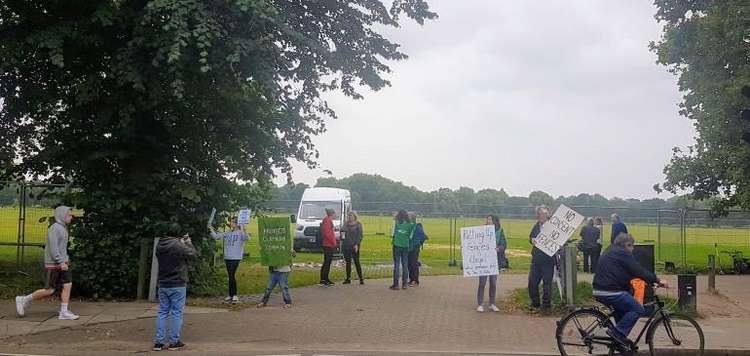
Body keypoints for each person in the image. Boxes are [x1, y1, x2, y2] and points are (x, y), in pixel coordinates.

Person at [593, 233, 669, 350]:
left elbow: (627, 271)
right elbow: (638, 270)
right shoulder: (623, 253)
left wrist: (648, 281)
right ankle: (617, 334)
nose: (633, 249)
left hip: (600, 289)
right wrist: (658, 280)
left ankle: (619, 343)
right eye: (632, 246)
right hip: (612, 291)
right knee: (637, 308)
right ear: (627, 245)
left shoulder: (611, 250)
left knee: (623, 314)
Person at [15, 206, 79, 320]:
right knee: (49, 290)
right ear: (61, 215)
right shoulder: (55, 228)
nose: (71, 217)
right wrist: (60, 262)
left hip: (64, 263)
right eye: (69, 215)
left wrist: (66, 260)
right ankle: (23, 299)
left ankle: (63, 312)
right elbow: (54, 248)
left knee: (67, 285)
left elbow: (62, 248)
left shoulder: (63, 227)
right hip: (54, 264)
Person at [153, 223, 197, 351]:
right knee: (177, 312)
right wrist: (188, 243)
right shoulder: (180, 245)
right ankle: (174, 341)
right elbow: (193, 255)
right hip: (178, 283)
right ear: (178, 234)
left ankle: (159, 342)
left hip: (163, 282)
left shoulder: (160, 245)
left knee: (162, 311)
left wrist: (180, 242)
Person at [210, 217, 250, 303]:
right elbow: (216, 236)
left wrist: (243, 229)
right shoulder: (228, 233)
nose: (231, 224)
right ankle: (231, 295)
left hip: (236, 257)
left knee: (231, 275)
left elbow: (246, 238)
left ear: (237, 224)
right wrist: (210, 229)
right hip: (227, 257)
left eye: (232, 222)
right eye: (231, 222)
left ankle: (235, 295)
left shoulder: (240, 233)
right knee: (230, 276)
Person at [477, 214, 506, 313]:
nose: (488, 221)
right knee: (482, 283)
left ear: (494, 221)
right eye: (487, 219)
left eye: (490, 219)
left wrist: (499, 248)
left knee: (493, 283)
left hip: (494, 261)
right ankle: (480, 304)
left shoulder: (500, 231)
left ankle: (492, 303)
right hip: (484, 261)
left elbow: (504, 244)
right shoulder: (481, 230)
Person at [527, 206, 554, 311]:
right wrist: (532, 240)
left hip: (548, 260)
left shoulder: (552, 227)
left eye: (542, 214)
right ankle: (535, 303)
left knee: (547, 284)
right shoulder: (536, 226)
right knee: (532, 282)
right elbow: (531, 237)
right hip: (536, 259)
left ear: (547, 215)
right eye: (538, 214)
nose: (540, 216)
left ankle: (546, 305)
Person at [390, 209, 415, 290]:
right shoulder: (411, 225)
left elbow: (392, 234)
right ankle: (404, 284)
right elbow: (411, 236)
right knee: (405, 265)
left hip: (397, 244)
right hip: (405, 245)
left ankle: (396, 284)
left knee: (396, 264)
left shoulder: (396, 223)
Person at [341, 211, 364, 285]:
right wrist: (342, 235)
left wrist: (357, 244)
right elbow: (342, 233)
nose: (350, 217)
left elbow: (360, 236)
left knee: (357, 262)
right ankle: (348, 278)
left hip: (354, 246)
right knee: (348, 262)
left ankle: (361, 278)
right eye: (349, 216)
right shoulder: (345, 224)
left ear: (354, 217)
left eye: (351, 216)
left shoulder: (358, 225)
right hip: (346, 246)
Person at [407, 212, 428, 287]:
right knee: (409, 263)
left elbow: (423, 236)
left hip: (415, 247)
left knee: (413, 263)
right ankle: (411, 279)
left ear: (412, 218)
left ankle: (416, 280)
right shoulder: (408, 226)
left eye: (408, 217)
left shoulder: (417, 227)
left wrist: (418, 243)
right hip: (408, 247)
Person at [318, 208, 337, 286]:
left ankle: (325, 278)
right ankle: (323, 279)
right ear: (332, 214)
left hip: (328, 244)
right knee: (327, 262)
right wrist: (333, 242)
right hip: (328, 244)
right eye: (335, 214)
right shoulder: (327, 220)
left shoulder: (327, 220)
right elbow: (327, 233)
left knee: (327, 262)